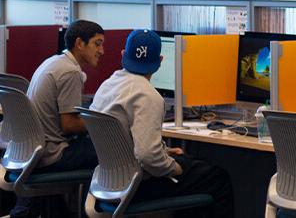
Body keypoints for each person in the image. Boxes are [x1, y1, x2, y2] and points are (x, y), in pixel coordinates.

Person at [89, 29, 234, 217]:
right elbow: (148, 155)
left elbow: (125, 143)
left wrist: (163, 152)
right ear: (159, 62)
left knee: (193, 166)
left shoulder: (106, 86)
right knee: (216, 177)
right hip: (136, 186)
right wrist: (174, 168)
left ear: (123, 55)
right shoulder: (148, 96)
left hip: (107, 182)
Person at [11, 20, 105, 217]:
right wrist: (101, 122)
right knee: (114, 152)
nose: (102, 50)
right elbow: (69, 125)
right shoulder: (71, 71)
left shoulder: (52, 62)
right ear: (80, 43)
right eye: (97, 43)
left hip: (32, 151)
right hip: (52, 153)